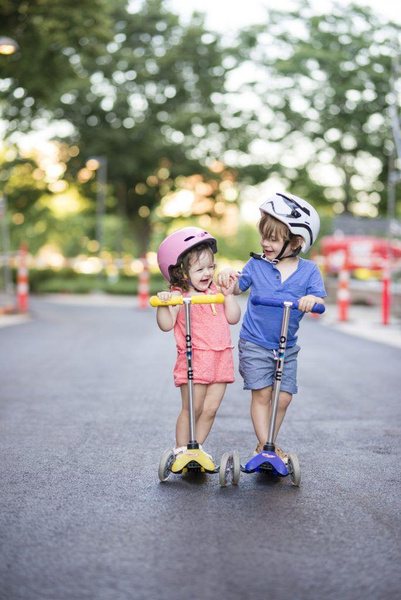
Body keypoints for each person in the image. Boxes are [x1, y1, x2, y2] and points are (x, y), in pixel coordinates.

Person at [217, 192, 326, 461]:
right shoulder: (256, 264)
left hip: (286, 346)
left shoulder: (310, 271)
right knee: (263, 394)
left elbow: (319, 300)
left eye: (273, 239)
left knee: (284, 398)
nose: (265, 243)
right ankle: (268, 448)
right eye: (264, 237)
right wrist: (226, 277)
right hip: (254, 342)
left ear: (297, 241)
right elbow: (236, 286)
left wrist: (312, 300)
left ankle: (266, 445)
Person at [155, 226, 241, 458]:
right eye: (200, 269)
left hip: (221, 357)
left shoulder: (216, 291)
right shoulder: (178, 296)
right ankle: (182, 449)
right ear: (182, 273)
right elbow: (166, 324)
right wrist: (164, 305)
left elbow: (233, 318)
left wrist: (229, 294)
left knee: (211, 409)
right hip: (195, 358)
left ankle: (196, 451)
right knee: (193, 407)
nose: (207, 273)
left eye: (211, 267)